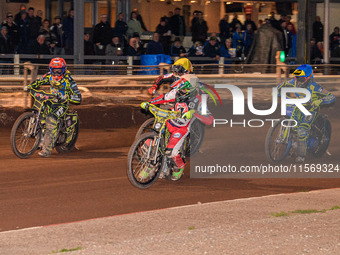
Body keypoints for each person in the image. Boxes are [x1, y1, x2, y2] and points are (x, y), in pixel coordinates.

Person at [277, 64, 335, 163]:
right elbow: (281, 86)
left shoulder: (315, 87)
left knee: (302, 130)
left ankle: (301, 156)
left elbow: (331, 97)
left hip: (311, 110)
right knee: (290, 120)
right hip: (299, 107)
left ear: (308, 78)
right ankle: (292, 144)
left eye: (301, 79)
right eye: (296, 78)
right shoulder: (294, 82)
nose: (298, 81)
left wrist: (319, 101)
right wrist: (277, 92)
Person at [25, 57, 81, 157]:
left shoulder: (69, 80)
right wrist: (30, 86)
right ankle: (40, 138)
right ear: (51, 69)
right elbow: (39, 81)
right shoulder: (49, 76)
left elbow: (78, 97)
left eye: (59, 70)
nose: (56, 73)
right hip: (51, 101)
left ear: (64, 69)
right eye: (54, 70)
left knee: (51, 120)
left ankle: (47, 150)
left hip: (62, 104)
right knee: (41, 111)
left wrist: (66, 97)